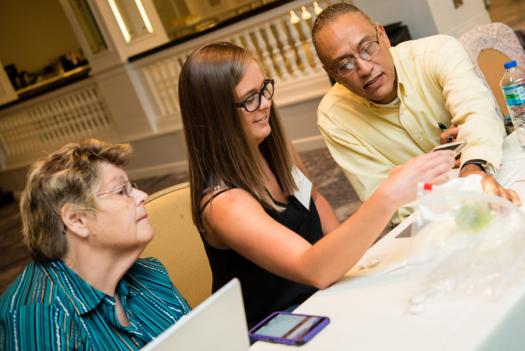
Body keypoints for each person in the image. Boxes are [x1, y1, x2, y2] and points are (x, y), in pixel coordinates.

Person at [178, 42, 455, 327]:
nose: (265, 104)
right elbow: (313, 268)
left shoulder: (272, 146)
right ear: (216, 116)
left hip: (322, 299)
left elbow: (314, 200)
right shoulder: (224, 204)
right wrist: (389, 196)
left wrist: (354, 264)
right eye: (250, 99)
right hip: (283, 329)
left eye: (264, 89)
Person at [311, 3, 520, 219]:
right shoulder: (333, 118)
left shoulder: (437, 51)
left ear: (382, 35)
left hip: (497, 168)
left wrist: (472, 167)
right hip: (434, 220)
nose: (364, 69)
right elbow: (384, 203)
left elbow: (479, 114)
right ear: (332, 73)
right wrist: (454, 184)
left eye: (367, 48)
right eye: (345, 65)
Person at [0, 139, 190, 350]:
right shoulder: (39, 318)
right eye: (121, 191)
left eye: (132, 187)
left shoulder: (152, 276)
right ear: (76, 219)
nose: (142, 196)